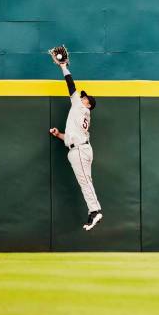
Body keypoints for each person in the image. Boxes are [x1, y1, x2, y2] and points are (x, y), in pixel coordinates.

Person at [48, 52, 103, 231]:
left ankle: (95, 211)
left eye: (85, 98)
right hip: (80, 147)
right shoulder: (80, 111)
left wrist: (63, 66)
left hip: (79, 150)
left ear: (88, 104)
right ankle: (94, 210)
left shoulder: (80, 107)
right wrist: (59, 135)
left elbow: (71, 85)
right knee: (86, 181)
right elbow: (72, 136)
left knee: (85, 181)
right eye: (83, 96)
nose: (82, 97)